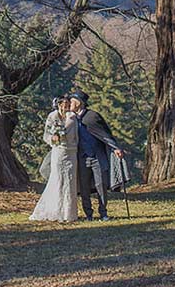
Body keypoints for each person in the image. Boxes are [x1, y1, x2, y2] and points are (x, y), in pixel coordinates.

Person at [70, 89, 124, 221]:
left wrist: (115, 147)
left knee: (101, 185)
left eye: (72, 101)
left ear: (79, 103)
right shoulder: (71, 119)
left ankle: (103, 212)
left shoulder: (92, 116)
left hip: (96, 156)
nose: (70, 103)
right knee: (84, 187)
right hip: (82, 158)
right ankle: (88, 214)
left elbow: (105, 134)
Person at [29, 96, 78, 223]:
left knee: (70, 180)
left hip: (71, 152)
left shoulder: (72, 117)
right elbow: (46, 134)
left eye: (68, 103)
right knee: (58, 179)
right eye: (64, 103)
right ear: (59, 104)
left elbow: (76, 134)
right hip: (59, 151)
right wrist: (53, 138)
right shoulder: (53, 116)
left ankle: (69, 213)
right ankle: (55, 209)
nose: (67, 106)